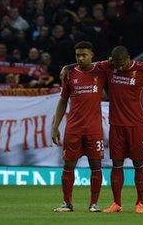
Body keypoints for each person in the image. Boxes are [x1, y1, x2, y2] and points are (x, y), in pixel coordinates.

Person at [98, 46, 143, 213]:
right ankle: (116, 203)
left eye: (122, 64)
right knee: (117, 164)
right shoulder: (109, 67)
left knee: (139, 163)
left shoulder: (142, 68)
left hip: (136, 125)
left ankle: (140, 203)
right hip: (116, 125)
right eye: (116, 64)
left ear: (129, 58)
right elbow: (89, 65)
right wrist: (68, 67)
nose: (120, 67)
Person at [51, 41, 106, 212]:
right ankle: (67, 203)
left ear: (92, 55)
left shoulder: (102, 72)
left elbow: (117, 60)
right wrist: (55, 126)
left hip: (94, 130)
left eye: (84, 55)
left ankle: (94, 204)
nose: (81, 58)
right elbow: (62, 100)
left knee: (96, 167)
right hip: (73, 129)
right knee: (68, 166)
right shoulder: (69, 75)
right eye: (78, 55)